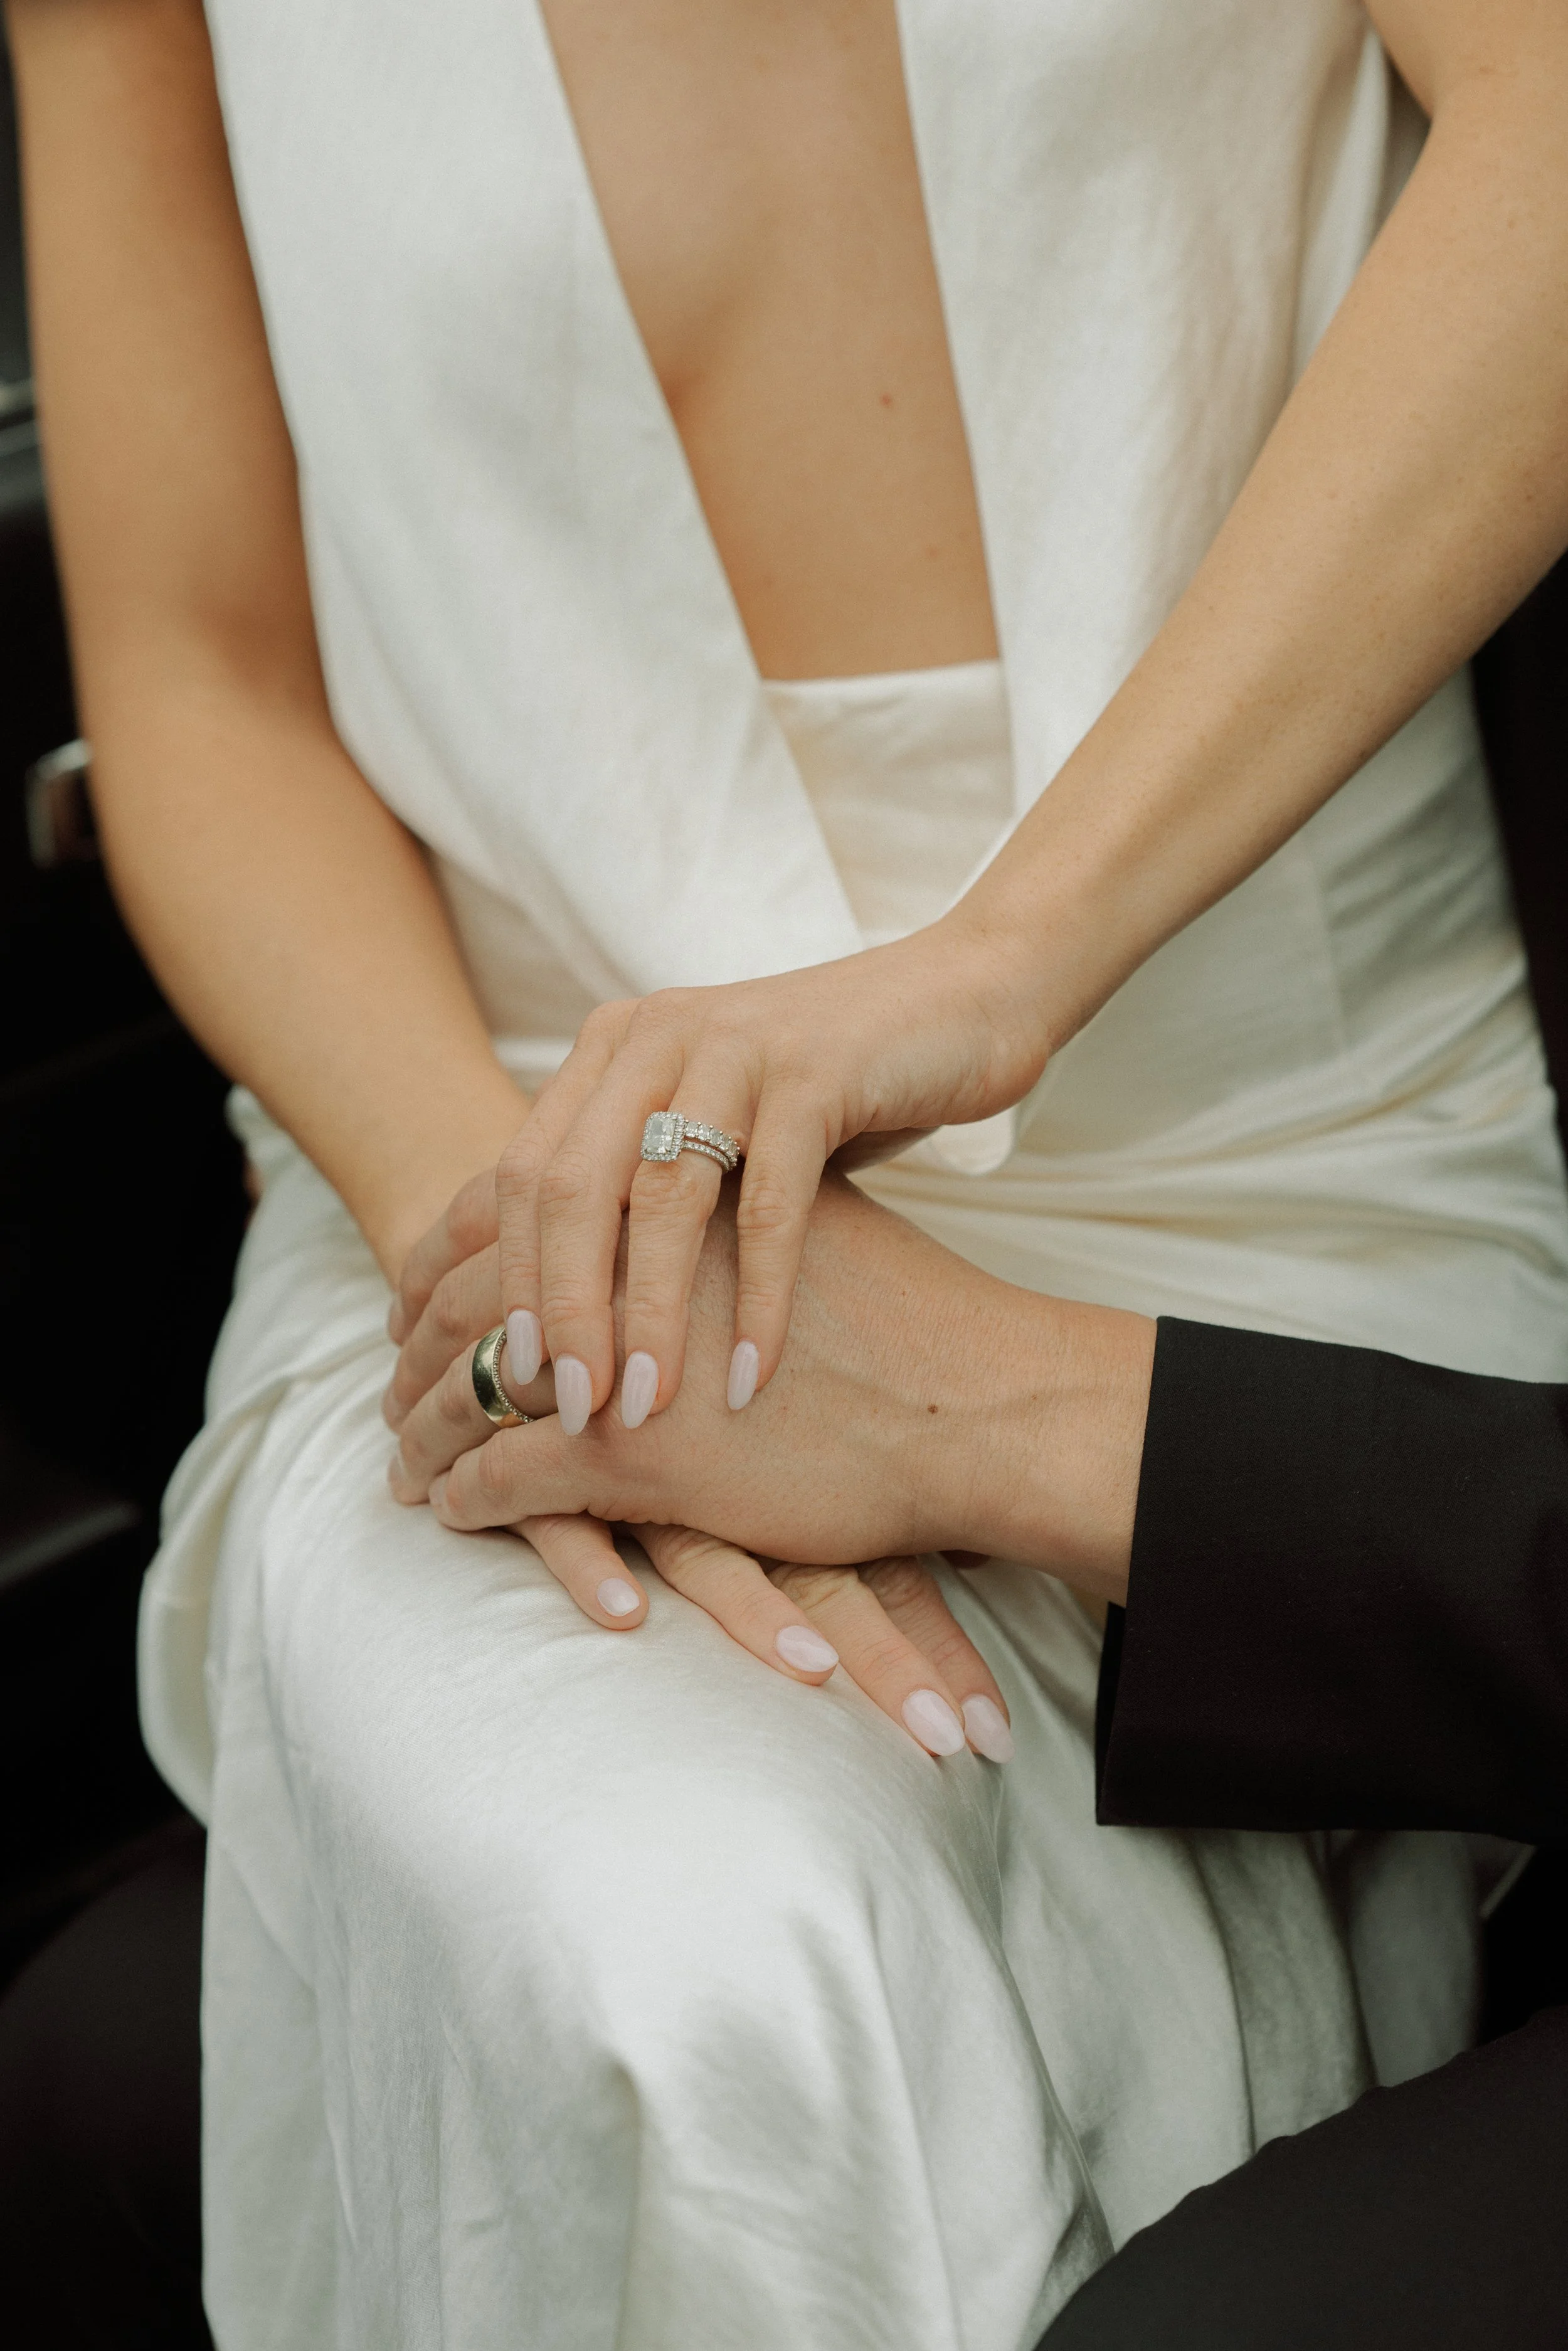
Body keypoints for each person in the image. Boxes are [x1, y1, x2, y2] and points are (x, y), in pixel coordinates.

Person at [8, 0, 1568, 2342]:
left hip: (1294, 1141)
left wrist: (1014, 950)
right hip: (483, 1141)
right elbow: (204, 669)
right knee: (689, 1950)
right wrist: (562, 1275)